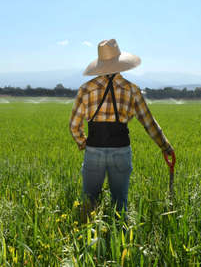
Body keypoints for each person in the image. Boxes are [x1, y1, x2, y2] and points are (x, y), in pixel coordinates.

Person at [69, 39, 175, 219]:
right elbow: (148, 122)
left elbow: (74, 126)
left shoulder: (86, 89)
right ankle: (120, 241)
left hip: (94, 150)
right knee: (120, 204)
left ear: (100, 64)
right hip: (121, 151)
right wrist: (165, 146)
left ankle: (87, 242)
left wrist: (84, 143)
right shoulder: (132, 90)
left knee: (88, 203)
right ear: (119, 62)